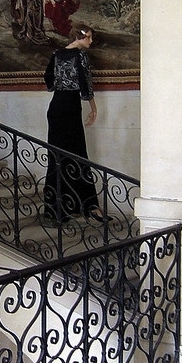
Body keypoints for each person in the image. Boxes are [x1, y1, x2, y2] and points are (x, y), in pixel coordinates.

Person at [42, 24, 106, 225]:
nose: (91, 42)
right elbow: (86, 85)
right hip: (70, 108)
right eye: (89, 38)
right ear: (81, 37)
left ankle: (56, 208)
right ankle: (89, 206)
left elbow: (49, 80)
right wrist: (94, 109)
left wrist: (60, 85)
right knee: (78, 154)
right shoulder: (80, 56)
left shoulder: (56, 54)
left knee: (57, 157)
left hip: (56, 108)